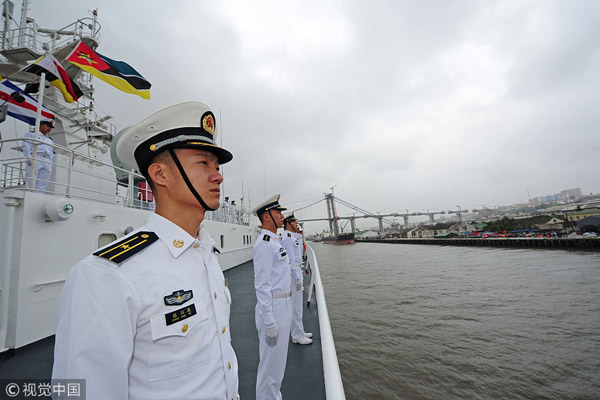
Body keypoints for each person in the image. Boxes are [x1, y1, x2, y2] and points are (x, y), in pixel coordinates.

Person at [52, 102, 239, 400]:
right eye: (203, 163)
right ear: (160, 175)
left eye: (217, 167)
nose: (218, 176)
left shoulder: (205, 254)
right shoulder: (107, 275)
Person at [252, 194, 292, 400]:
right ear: (266, 216)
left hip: (283, 304)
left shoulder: (275, 241)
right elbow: (262, 285)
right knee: (270, 367)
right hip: (273, 308)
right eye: (278, 212)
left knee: (278, 364)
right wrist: (269, 321)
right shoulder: (265, 244)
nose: (282, 215)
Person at [282, 212, 312, 345]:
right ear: (288, 224)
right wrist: (297, 277)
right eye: (294, 222)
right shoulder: (287, 238)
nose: (296, 224)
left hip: (297, 271)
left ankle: (299, 331)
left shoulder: (292, 237)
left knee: (298, 305)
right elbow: (290, 260)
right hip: (294, 274)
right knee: (296, 305)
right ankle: (297, 335)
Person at [22, 119, 55, 192]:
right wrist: (29, 158)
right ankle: (29, 195)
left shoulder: (50, 140)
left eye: (50, 127)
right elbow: (26, 146)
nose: (49, 128)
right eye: (47, 126)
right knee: (31, 180)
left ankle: (39, 196)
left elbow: (51, 153)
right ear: (41, 125)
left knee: (43, 183)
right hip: (36, 157)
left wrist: (51, 163)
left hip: (47, 160)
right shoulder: (32, 134)